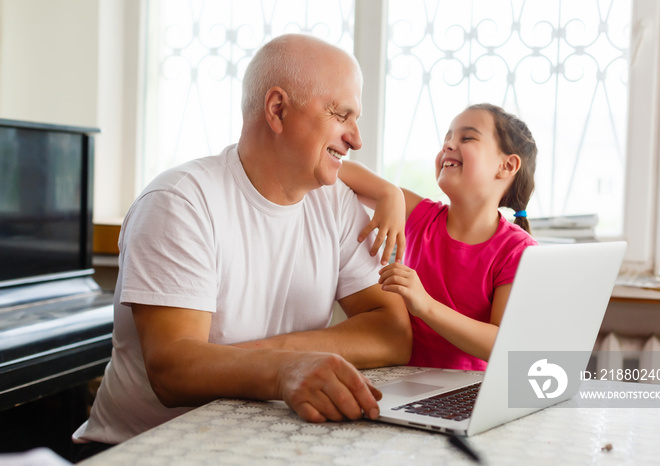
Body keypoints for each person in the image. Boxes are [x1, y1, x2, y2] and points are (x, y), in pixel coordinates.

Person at [71, 34, 412, 458]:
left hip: (259, 448)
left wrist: (274, 359)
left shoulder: (337, 203)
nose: (356, 139)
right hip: (141, 452)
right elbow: (172, 371)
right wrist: (284, 369)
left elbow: (392, 331)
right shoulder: (179, 202)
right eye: (341, 115)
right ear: (277, 109)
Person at [339, 103, 538, 371]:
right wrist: (390, 193)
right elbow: (339, 171)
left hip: (465, 393)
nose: (448, 145)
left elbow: (502, 344)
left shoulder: (518, 250)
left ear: (506, 165)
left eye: (466, 137)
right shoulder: (422, 215)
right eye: (447, 139)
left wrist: (425, 305)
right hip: (400, 379)